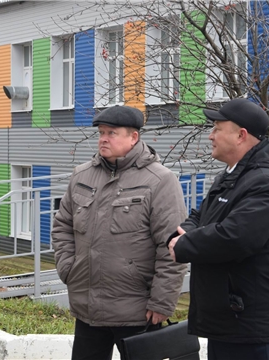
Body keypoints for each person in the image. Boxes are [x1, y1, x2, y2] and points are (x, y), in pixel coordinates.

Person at [52, 105, 188, 360]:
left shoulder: (159, 181)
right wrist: (68, 268)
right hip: (88, 308)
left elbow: (172, 246)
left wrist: (162, 301)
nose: (103, 138)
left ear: (133, 137)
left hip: (138, 311)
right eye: (101, 132)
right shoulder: (82, 175)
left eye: (111, 133)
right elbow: (62, 226)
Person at [168, 98, 269, 360]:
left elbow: (235, 237)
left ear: (241, 135)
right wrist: (184, 233)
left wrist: (183, 245)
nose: (210, 136)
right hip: (229, 319)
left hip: (250, 325)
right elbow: (200, 216)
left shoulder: (268, 183)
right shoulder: (233, 174)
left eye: (217, 128)